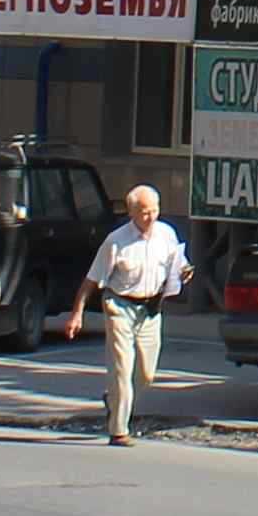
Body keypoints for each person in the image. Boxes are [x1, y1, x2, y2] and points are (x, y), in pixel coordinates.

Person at [72, 182, 189, 445]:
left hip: (150, 308)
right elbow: (91, 280)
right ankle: (118, 430)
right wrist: (76, 313)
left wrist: (185, 272)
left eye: (155, 211)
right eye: (145, 212)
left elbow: (177, 265)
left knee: (146, 374)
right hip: (119, 306)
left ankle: (113, 397)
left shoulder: (166, 234)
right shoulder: (116, 241)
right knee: (121, 369)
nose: (151, 217)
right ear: (131, 212)